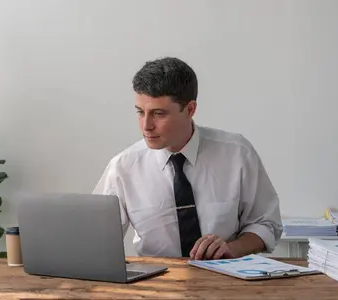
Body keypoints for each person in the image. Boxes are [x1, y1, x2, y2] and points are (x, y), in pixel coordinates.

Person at [93, 57, 283, 260]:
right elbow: (94, 239)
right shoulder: (123, 167)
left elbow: (267, 225)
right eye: (140, 112)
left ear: (190, 109)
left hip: (227, 279)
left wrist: (231, 249)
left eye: (158, 114)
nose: (146, 125)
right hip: (156, 283)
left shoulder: (237, 153)